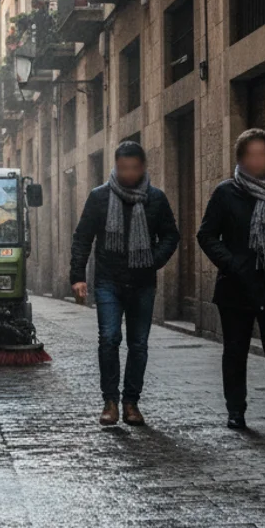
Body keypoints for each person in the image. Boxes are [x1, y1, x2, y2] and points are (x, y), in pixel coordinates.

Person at [197, 129, 265, 440]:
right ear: (241, 158)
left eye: (263, 154)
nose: (257, 160)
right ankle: (236, 411)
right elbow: (206, 235)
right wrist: (233, 265)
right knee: (236, 351)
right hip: (237, 287)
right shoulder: (225, 192)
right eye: (250, 154)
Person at [70, 141, 180, 427]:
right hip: (108, 280)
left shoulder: (155, 198)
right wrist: (78, 276)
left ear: (142, 167)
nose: (128, 173)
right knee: (109, 339)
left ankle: (131, 402)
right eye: (123, 168)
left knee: (138, 344)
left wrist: (152, 260)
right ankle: (110, 402)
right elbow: (83, 237)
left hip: (143, 283)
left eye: (133, 167)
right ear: (115, 168)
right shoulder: (99, 197)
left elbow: (171, 235)